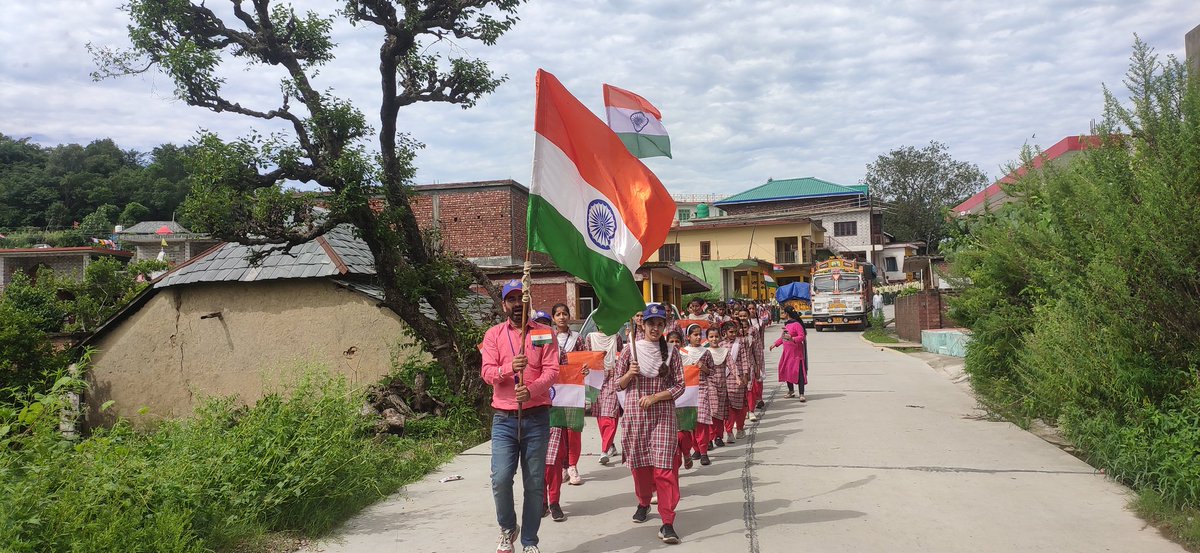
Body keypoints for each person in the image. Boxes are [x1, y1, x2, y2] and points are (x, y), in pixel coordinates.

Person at [480, 281, 560, 553]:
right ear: (504, 305)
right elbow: (487, 373)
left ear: (529, 301)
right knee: (500, 478)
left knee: (535, 482)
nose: (517, 305)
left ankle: (529, 541)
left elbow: (552, 371)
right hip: (504, 419)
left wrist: (533, 389)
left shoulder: (545, 333)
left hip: (536, 417)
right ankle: (507, 528)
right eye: (511, 299)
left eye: (521, 298)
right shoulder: (493, 335)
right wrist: (507, 369)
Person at [616, 304, 685, 545]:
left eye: (660, 324)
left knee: (665, 469)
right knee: (641, 466)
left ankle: (667, 521)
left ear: (665, 326)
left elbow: (680, 385)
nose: (655, 328)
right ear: (641, 325)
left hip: (663, 415)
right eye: (650, 323)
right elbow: (616, 384)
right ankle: (644, 501)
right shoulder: (629, 351)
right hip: (636, 415)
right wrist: (629, 375)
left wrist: (656, 397)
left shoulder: (672, 352)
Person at [549, 304, 586, 487]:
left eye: (565, 314)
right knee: (558, 429)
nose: (562, 317)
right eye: (558, 314)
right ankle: (562, 466)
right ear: (553, 318)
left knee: (573, 429)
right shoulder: (548, 338)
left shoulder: (577, 339)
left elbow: (584, 361)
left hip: (573, 389)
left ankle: (573, 465)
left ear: (569, 316)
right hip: (554, 391)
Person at [681, 324, 717, 466]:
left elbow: (712, 372)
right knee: (690, 422)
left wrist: (705, 368)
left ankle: (703, 451)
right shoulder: (682, 352)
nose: (697, 337)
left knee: (701, 422)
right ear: (688, 337)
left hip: (701, 389)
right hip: (686, 391)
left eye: (699, 334)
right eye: (694, 335)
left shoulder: (706, 353)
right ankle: (695, 448)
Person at [665, 330, 694, 470]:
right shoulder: (662, 359)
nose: (675, 344)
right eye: (671, 341)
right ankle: (675, 464)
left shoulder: (688, 359)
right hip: (667, 399)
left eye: (677, 341)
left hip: (685, 399)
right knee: (672, 434)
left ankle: (687, 453)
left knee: (684, 432)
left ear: (682, 343)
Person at [771, 306, 808, 401]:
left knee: (798, 373)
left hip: (796, 354)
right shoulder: (787, 325)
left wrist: (793, 339)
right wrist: (775, 344)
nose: (782, 314)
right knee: (787, 371)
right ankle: (791, 391)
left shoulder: (796, 324)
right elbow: (783, 338)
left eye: (783, 312)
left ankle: (801, 394)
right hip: (787, 354)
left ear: (787, 314)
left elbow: (802, 337)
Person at [721, 320, 748, 444]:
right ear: (724, 333)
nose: (733, 334)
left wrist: (746, 375)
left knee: (739, 406)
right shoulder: (720, 345)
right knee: (728, 407)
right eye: (730, 332)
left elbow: (744, 359)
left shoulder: (740, 343)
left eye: (735, 332)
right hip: (723, 379)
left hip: (738, 378)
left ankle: (740, 428)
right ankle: (729, 431)